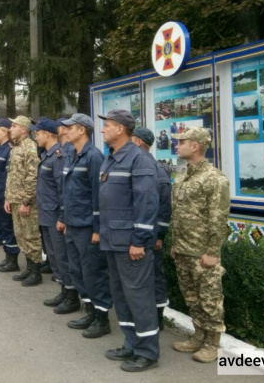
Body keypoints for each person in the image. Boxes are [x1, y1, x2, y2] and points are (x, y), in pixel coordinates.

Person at [98, 109, 160, 372]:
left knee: (139, 296)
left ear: (121, 129)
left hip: (130, 243)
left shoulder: (139, 159)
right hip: (113, 239)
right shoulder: (111, 158)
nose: (103, 130)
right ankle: (131, 343)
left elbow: (147, 203)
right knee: (121, 295)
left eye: (108, 125)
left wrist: (139, 240)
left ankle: (147, 351)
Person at [170, 127, 230, 363]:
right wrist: (175, 244)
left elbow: (218, 217)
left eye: (181, 142)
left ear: (195, 146)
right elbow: (180, 214)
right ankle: (198, 336)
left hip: (202, 253)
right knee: (192, 298)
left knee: (209, 300)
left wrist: (212, 252)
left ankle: (212, 344)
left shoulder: (214, 178)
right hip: (184, 249)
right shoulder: (184, 175)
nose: (177, 145)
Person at [58, 113, 111, 336]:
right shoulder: (73, 155)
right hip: (73, 223)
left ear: (82, 131)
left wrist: (97, 229)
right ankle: (89, 310)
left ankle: (102, 318)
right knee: (77, 270)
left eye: (71, 128)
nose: (66, 131)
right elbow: (68, 192)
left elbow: (99, 197)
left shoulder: (94, 157)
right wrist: (63, 218)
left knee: (93, 273)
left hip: (88, 226)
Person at [32, 118, 79, 313]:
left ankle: (72, 296)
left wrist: (62, 216)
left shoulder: (58, 157)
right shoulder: (47, 155)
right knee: (53, 256)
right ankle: (64, 289)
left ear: (48, 134)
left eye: (38, 133)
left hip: (54, 215)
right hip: (45, 213)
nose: (35, 136)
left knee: (62, 257)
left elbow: (62, 190)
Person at [131, 126, 172, 330]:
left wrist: (159, 236)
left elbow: (164, 208)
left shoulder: (156, 169)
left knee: (155, 274)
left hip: (152, 236)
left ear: (138, 142)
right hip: (139, 234)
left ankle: (158, 314)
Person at [5, 115, 42, 286]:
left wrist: (26, 201)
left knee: (31, 236)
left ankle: (36, 272)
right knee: (20, 236)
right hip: (15, 200)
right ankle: (28, 268)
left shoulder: (30, 147)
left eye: (14, 126)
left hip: (26, 202)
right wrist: (8, 198)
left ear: (24, 129)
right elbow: (11, 176)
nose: (10, 129)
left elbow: (32, 176)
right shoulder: (15, 148)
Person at [0, 119, 20, 272]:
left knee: (8, 228)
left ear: (6, 131)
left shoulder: (9, 150)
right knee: (2, 227)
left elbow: (9, 176)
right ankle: (7, 255)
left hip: (3, 196)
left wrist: (7, 196)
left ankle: (13, 259)